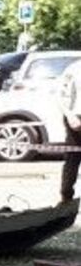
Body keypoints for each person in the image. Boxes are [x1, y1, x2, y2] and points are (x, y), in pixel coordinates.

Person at [57, 57, 81, 202]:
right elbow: (60, 96)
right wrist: (70, 116)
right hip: (77, 119)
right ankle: (66, 196)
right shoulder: (74, 69)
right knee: (72, 160)